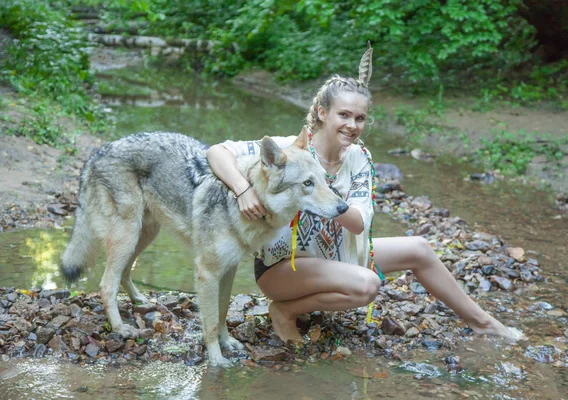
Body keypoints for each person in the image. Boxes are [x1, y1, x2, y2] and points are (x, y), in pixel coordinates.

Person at [207, 44, 520, 343]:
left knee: (420, 249)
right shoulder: (293, 152)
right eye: (343, 115)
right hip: (284, 268)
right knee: (368, 285)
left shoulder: (360, 158)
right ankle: (285, 310)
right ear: (322, 113)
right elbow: (218, 152)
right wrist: (244, 189)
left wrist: (325, 195)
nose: (352, 125)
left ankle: (483, 323)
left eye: (360, 118)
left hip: (339, 253)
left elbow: (358, 224)